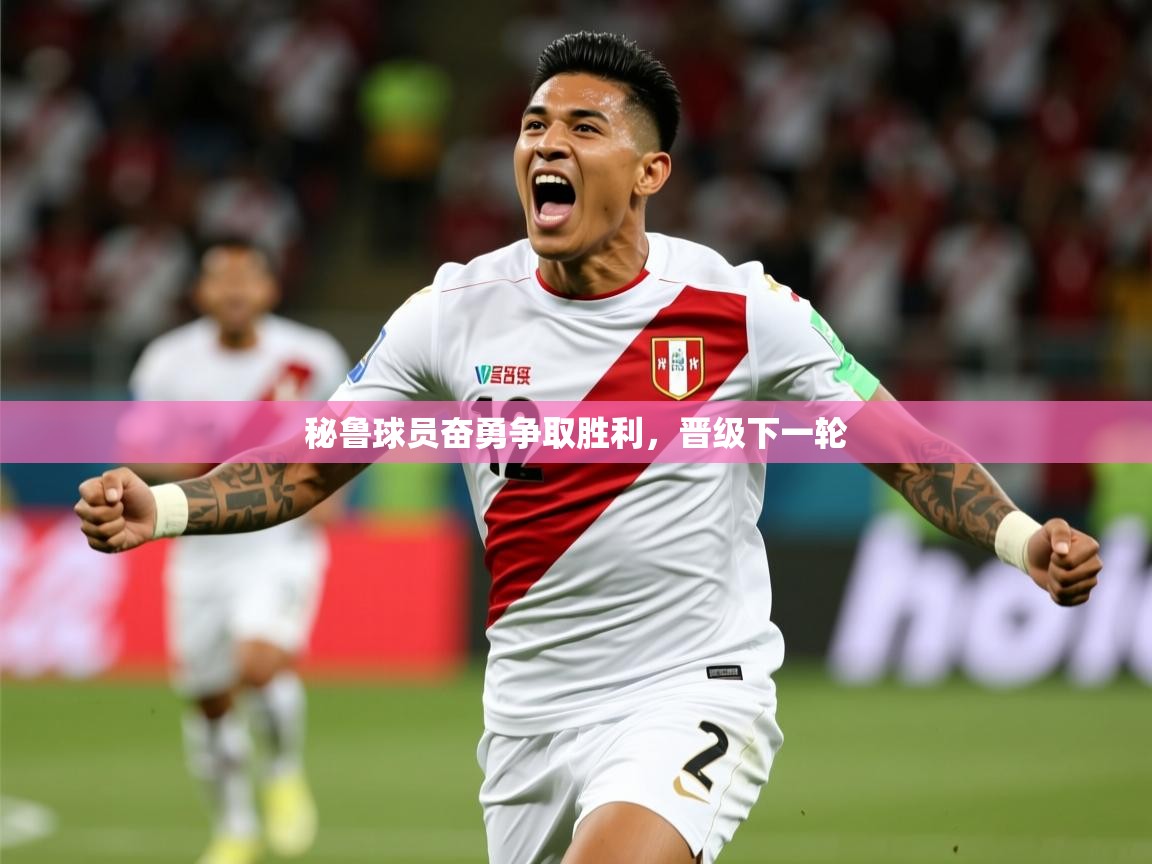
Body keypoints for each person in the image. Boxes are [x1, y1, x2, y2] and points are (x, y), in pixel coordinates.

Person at [76, 33, 1102, 864]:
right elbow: (309, 465)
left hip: (691, 686)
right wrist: (162, 508)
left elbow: (902, 448)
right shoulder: (452, 311)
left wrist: (1022, 540)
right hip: (525, 713)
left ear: (651, 171)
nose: (547, 145)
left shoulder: (741, 308)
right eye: (533, 126)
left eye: (583, 126)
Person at [125, 237, 349, 864]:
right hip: (199, 542)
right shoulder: (167, 362)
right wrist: (190, 462)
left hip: (280, 538)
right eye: (220, 278)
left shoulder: (310, 356)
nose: (233, 289)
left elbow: (347, 432)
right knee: (209, 699)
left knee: (258, 664)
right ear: (199, 291)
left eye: (246, 276)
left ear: (270, 288)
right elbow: (138, 446)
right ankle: (235, 827)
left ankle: (281, 769)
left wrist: (333, 493)